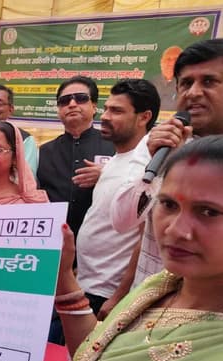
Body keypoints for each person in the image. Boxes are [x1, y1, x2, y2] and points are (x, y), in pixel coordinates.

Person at [49, 136, 223, 361]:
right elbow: (93, 357)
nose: (176, 230)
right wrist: (64, 276)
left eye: (209, 212)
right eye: (168, 204)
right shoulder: (157, 289)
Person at [111, 38, 223, 287]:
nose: (193, 92)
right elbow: (122, 220)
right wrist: (163, 165)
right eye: (186, 83)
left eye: (208, 81)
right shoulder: (159, 142)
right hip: (152, 295)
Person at [74, 79, 160, 319]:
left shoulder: (148, 168)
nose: (105, 116)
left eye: (117, 111)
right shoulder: (117, 159)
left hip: (108, 295)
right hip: (88, 284)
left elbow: (145, 238)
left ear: (144, 117)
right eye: (106, 109)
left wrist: (118, 296)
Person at [37, 76, 115, 239]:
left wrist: (107, 174)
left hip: (101, 240)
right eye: (64, 101)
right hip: (53, 239)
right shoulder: (43, 152)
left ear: (94, 106)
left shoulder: (115, 147)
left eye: (81, 98)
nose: (72, 104)